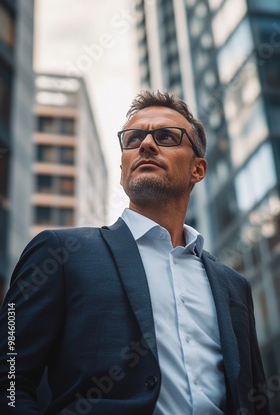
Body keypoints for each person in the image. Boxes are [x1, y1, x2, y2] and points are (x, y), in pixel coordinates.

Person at [0, 90, 270, 414]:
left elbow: (256, 399)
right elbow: (10, 375)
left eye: (166, 136)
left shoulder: (234, 287)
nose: (145, 144)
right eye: (133, 138)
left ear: (198, 170)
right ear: (123, 167)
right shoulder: (60, 253)